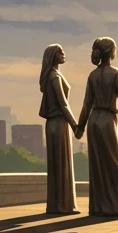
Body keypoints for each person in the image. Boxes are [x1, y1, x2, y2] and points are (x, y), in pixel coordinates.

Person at [75, 37, 118, 217]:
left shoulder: (92, 75)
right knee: (115, 164)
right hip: (107, 121)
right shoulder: (115, 73)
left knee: (98, 166)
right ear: (111, 52)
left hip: (93, 122)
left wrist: (80, 126)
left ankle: (99, 206)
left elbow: (86, 104)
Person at [38, 44, 80, 215]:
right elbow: (63, 104)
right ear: (52, 56)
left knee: (58, 165)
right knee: (61, 165)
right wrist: (75, 124)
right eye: (60, 52)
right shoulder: (54, 77)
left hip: (54, 124)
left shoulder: (52, 76)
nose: (63, 54)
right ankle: (63, 205)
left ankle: (58, 204)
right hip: (60, 123)